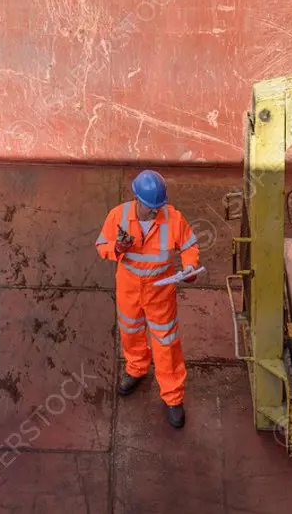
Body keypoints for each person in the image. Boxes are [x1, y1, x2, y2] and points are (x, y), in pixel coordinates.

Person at [94, 169, 200, 428]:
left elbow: (189, 246)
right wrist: (116, 249)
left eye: (158, 207)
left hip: (160, 289)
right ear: (137, 199)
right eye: (151, 207)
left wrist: (189, 267)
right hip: (129, 286)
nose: (155, 212)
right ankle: (136, 368)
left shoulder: (173, 218)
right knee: (130, 330)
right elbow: (101, 246)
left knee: (166, 341)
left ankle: (173, 396)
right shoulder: (117, 216)